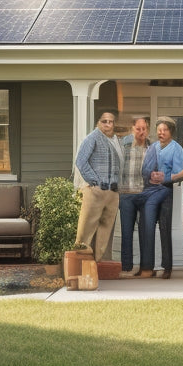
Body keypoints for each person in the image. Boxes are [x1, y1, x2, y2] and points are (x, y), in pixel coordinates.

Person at [138, 117, 183, 279]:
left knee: (165, 229)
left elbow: (181, 173)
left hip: (165, 191)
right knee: (146, 229)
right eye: (159, 129)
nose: (161, 132)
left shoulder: (176, 148)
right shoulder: (152, 147)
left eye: (165, 130)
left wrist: (164, 178)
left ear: (171, 132)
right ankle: (147, 267)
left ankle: (167, 267)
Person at [74, 110, 124, 262]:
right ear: (98, 122)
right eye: (104, 121)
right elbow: (81, 161)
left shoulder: (116, 141)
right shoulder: (92, 138)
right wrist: (94, 181)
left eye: (111, 121)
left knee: (105, 232)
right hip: (96, 191)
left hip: (112, 192)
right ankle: (79, 266)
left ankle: (97, 267)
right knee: (85, 231)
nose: (108, 124)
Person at [118, 116, 150, 276]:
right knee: (126, 232)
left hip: (145, 195)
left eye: (144, 128)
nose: (141, 131)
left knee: (145, 231)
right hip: (126, 194)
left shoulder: (151, 147)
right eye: (138, 128)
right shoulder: (123, 144)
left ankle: (145, 267)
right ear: (132, 129)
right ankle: (126, 267)